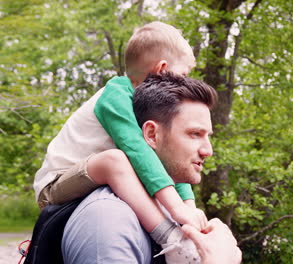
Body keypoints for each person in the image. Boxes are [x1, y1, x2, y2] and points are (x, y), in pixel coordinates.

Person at [33, 22, 206, 262]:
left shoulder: (145, 105)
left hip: (92, 177)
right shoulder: (115, 96)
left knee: (124, 162)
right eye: (184, 75)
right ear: (162, 69)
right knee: (115, 161)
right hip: (56, 184)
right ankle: (169, 239)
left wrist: (189, 207)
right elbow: (138, 151)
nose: (185, 83)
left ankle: (179, 236)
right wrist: (176, 209)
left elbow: (165, 159)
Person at [62, 73, 241, 264]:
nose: (208, 150)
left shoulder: (169, 211)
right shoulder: (107, 220)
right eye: (195, 134)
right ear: (152, 135)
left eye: (208, 136)